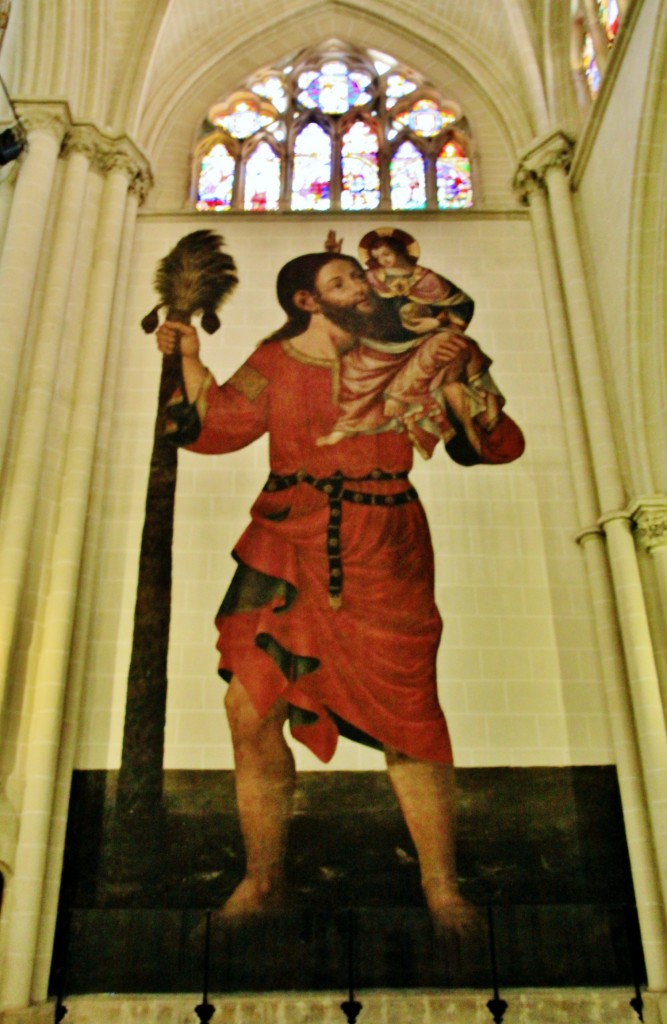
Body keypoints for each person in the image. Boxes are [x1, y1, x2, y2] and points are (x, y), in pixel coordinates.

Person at [155, 250, 524, 933]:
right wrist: (187, 359)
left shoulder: (406, 353)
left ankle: (440, 886)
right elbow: (219, 428)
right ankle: (262, 881)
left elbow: (495, 444)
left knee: (408, 715)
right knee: (248, 705)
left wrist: (474, 389)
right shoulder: (275, 363)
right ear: (306, 300)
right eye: (340, 281)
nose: (360, 286)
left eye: (358, 275)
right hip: (284, 539)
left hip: (383, 542)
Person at [317, 229, 504, 460]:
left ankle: (403, 396)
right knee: (353, 376)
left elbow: (463, 304)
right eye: (378, 257)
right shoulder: (372, 278)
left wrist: (436, 321)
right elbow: (343, 283)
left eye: (387, 255)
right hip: (377, 344)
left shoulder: (428, 280)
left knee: (448, 345)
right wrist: (332, 257)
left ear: (400, 251)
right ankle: (345, 427)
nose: (383, 261)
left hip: (420, 343)